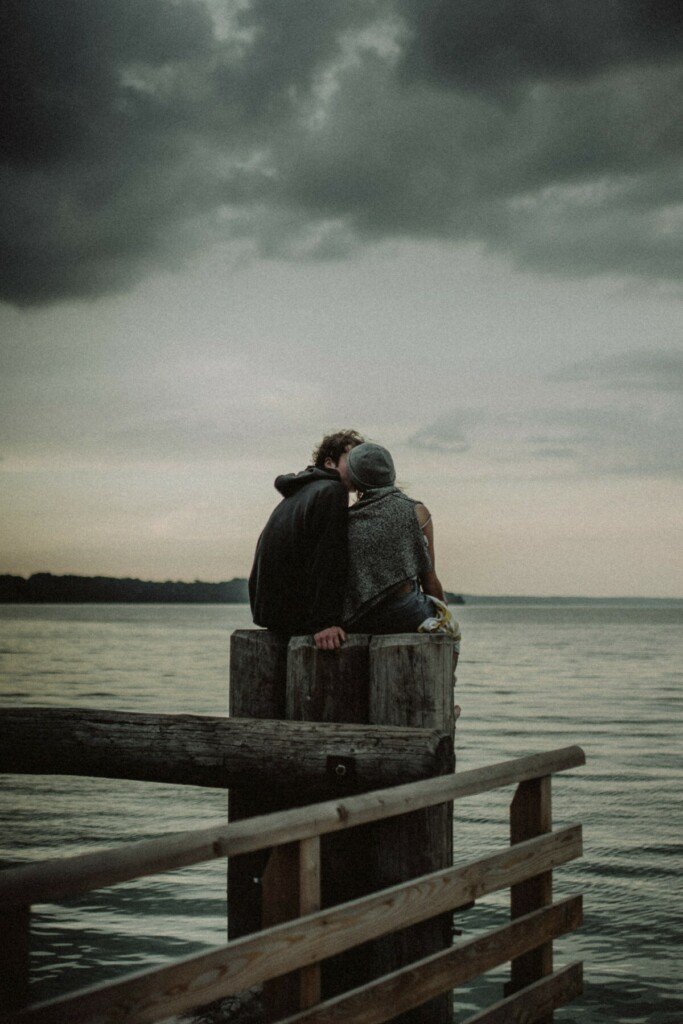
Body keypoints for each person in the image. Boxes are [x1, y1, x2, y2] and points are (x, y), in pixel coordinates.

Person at [249, 429, 364, 650]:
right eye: (352, 459)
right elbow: (328, 556)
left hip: (270, 612)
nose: (360, 465)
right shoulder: (333, 490)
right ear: (330, 463)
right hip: (294, 614)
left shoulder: (301, 492)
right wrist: (325, 622)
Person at [343, 443, 461, 656]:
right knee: (450, 632)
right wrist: (443, 613)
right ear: (392, 473)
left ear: (354, 478)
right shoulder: (416, 512)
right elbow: (429, 579)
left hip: (358, 617)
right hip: (406, 612)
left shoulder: (346, 519)